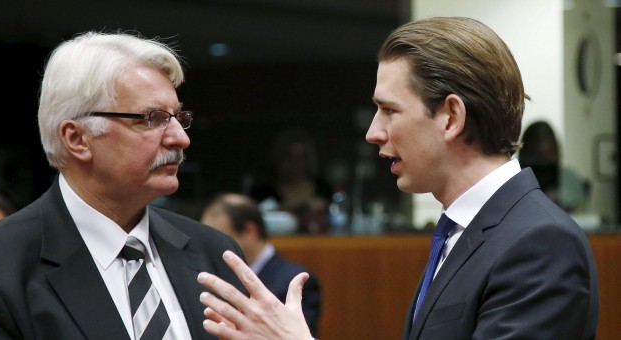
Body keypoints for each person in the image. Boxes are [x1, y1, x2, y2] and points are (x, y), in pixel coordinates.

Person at [195, 16, 599, 339]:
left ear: (451, 117)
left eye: (389, 110)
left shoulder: (539, 242)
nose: (374, 132)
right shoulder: (463, 229)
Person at [0, 31, 246, 339]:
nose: (180, 138)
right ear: (77, 139)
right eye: (151, 118)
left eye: (178, 117)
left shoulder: (214, 252)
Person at [200, 193, 322, 336]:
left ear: (250, 231)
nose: (210, 248)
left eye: (218, 240)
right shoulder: (213, 276)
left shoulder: (293, 281)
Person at [251, 128, 332, 234]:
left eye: (301, 156)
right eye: (289, 156)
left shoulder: (322, 188)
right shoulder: (264, 191)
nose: (296, 163)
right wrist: (298, 209)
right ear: (279, 158)